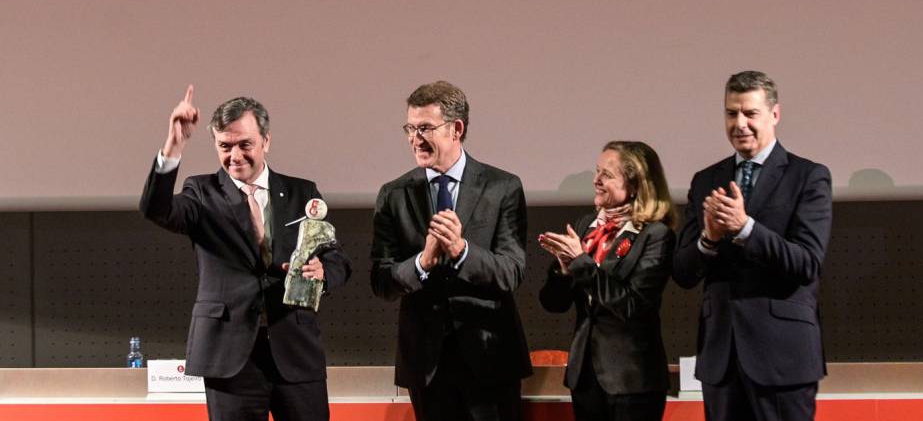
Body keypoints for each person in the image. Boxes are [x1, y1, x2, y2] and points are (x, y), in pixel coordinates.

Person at [139, 86, 353, 421]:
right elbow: (156, 209)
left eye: (245, 144)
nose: (234, 156)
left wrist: (323, 274)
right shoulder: (201, 192)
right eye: (224, 146)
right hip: (230, 356)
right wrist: (174, 145)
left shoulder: (302, 193)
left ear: (266, 141)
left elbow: (336, 257)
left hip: (295, 350)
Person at [672, 71, 833, 421]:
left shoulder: (808, 176)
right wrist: (709, 238)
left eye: (750, 113)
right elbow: (683, 273)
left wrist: (746, 228)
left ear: (774, 115)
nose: (740, 123)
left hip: (782, 358)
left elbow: (807, 263)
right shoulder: (706, 180)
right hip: (721, 358)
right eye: (731, 113)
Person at [370, 80, 531, 421]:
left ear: (456, 129)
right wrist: (421, 263)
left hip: (491, 358)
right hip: (426, 364)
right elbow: (381, 281)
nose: (415, 138)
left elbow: (512, 271)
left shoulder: (502, 187)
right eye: (410, 128)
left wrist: (461, 250)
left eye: (425, 128)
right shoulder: (394, 194)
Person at [538, 141, 677, 421]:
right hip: (585, 376)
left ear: (636, 184)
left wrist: (581, 264)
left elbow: (632, 306)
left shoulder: (655, 235)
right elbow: (553, 304)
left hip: (632, 379)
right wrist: (564, 272)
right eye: (597, 171)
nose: (596, 180)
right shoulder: (586, 227)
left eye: (607, 175)